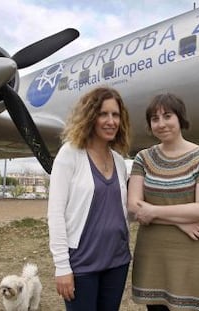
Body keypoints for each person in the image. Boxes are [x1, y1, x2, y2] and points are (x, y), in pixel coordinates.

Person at [127, 93, 199, 311]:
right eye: (155, 119)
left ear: (180, 118)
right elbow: (134, 206)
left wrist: (154, 211)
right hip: (154, 253)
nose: (161, 124)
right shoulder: (143, 158)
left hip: (195, 249)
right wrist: (180, 222)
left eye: (167, 116)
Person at [47, 87, 131, 311]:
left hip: (117, 261)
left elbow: (123, 210)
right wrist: (62, 266)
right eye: (103, 114)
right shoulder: (69, 154)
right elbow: (55, 214)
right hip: (82, 264)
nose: (111, 121)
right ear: (89, 117)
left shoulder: (119, 161)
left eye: (115, 115)